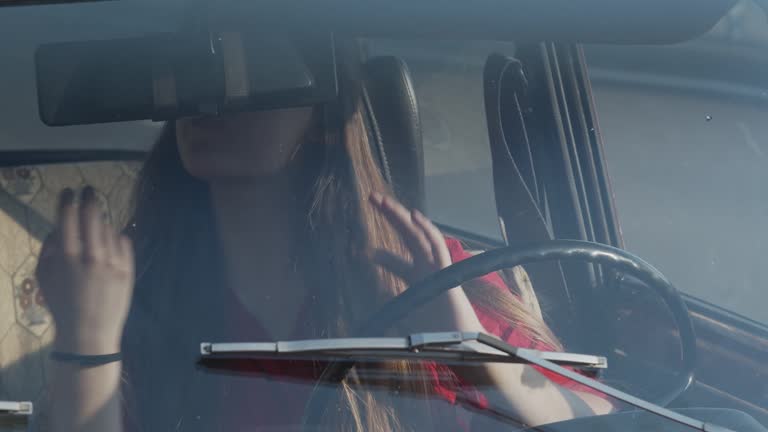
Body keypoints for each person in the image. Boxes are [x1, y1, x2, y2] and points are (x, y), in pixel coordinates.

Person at [35, 41, 613, 432]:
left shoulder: (419, 268)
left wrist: (466, 345)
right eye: (193, 70)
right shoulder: (123, 281)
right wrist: (87, 339)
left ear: (324, 106)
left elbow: (593, 413)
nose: (209, 95)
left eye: (253, 63)